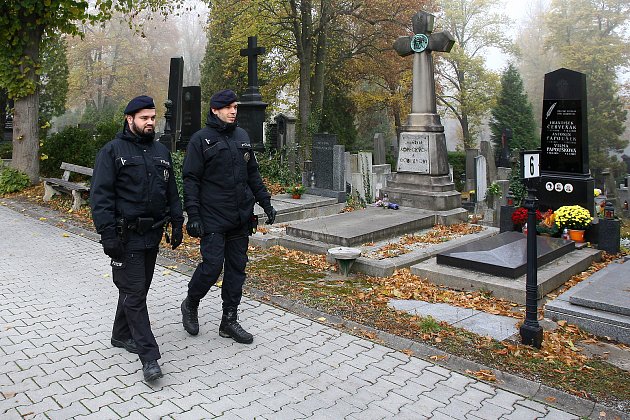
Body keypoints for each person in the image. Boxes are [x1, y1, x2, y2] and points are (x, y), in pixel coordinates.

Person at [90, 95, 184, 382]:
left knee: (136, 291)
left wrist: (178, 223)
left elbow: (172, 191)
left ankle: (121, 335)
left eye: (153, 118)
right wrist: (107, 235)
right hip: (125, 236)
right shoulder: (112, 151)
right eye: (144, 118)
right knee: (134, 295)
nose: (150, 123)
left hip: (152, 235)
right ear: (129, 119)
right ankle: (149, 356)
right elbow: (101, 196)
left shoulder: (160, 152)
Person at [181, 89, 276, 344]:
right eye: (228, 107)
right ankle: (190, 303)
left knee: (236, 270)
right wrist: (193, 215)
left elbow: (252, 173)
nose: (233, 111)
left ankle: (229, 321)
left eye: (235, 107)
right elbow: (190, 179)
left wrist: (265, 202)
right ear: (215, 110)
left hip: (240, 217)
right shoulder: (200, 140)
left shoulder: (242, 136)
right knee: (212, 267)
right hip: (212, 217)